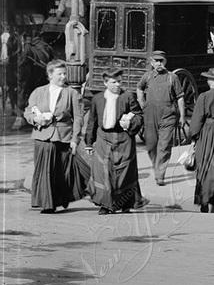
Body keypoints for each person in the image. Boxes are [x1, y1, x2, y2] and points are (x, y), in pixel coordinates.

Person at [25, 59, 83, 213]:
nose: (63, 77)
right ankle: (47, 204)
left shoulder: (72, 93)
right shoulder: (38, 92)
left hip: (63, 136)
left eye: (65, 73)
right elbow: (28, 111)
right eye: (60, 74)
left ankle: (58, 199)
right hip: (42, 135)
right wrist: (35, 119)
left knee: (60, 171)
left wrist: (75, 140)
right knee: (44, 170)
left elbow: (78, 118)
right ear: (50, 75)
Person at [84, 69, 144, 215]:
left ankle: (125, 203)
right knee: (104, 172)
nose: (117, 85)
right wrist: (88, 142)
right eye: (113, 82)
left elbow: (139, 115)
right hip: (103, 138)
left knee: (124, 171)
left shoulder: (128, 96)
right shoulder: (97, 99)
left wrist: (130, 123)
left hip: (123, 139)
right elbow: (92, 121)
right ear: (105, 83)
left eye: (119, 81)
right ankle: (105, 204)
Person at [137, 50, 186, 187]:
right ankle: (156, 166)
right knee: (151, 145)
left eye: (161, 61)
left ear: (165, 62)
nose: (159, 63)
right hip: (150, 114)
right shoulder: (147, 77)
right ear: (152, 63)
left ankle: (160, 174)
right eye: (156, 61)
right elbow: (139, 89)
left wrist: (182, 115)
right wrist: (142, 104)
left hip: (168, 116)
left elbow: (180, 97)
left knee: (164, 146)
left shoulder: (172, 78)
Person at [189, 68, 214, 213]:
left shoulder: (204, 97)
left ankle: (205, 198)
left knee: (205, 165)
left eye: (209, 79)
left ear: (213, 82)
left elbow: (196, 121)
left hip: (207, 133)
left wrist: (194, 137)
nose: (207, 81)